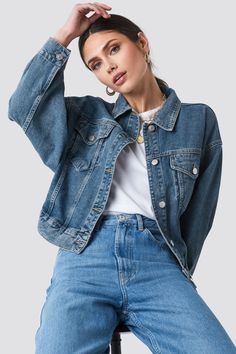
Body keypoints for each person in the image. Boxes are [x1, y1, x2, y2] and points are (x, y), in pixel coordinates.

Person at [8, 2, 236, 353]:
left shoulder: (199, 121)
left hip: (157, 264)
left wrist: (179, 272)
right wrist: (65, 36)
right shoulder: (85, 116)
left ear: (142, 43)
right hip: (85, 258)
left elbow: (198, 217)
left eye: (114, 48)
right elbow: (22, 107)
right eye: (96, 64)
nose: (109, 66)